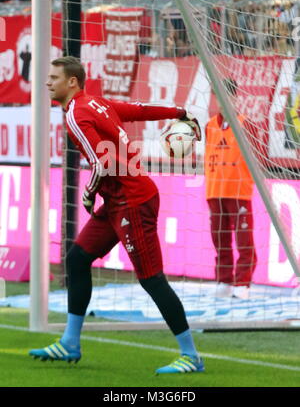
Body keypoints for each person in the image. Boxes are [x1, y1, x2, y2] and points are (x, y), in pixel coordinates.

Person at [29, 56, 204, 375]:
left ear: (72, 82)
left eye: (54, 77)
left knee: (151, 278)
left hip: (132, 201)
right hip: (118, 200)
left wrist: (87, 192)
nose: (47, 82)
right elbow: (139, 110)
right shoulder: (95, 103)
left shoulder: (76, 115)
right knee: (78, 258)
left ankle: (190, 355)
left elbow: (100, 164)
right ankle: (70, 342)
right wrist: (179, 112)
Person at [204, 78, 258, 299]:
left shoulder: (246, 124)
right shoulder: (209, 126)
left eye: (227, 95)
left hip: (238, 190)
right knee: (220, 239)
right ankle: (224, 280)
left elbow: (256, 157)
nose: (223, 100)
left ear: (235, 97)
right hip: (215, 190)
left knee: (244, 239)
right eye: (218, 95)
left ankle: (243, 282)